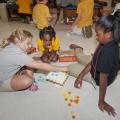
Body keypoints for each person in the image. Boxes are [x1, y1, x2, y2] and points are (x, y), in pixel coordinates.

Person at [68, 11, 120, 116]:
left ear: (109, 34)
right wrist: (80, 76)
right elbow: (93, 61)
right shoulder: (104, 42)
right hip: (96, 62)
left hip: (96, 77)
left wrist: (101, 101)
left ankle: (78, 49)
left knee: (69, 67)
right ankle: (79, 48)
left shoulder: (108, 52)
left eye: (98, 34)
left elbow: (103, 79)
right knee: (80, 57)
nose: (96, 37)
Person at [0, 29, 67, 92]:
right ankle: (20, 75)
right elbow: (41, 65)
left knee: (30, 63)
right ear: (18, 42)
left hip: (5, 71)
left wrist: (33, 55)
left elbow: (16, 59)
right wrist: (64, 68)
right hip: (3, 81)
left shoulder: (10, 45)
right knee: (28, 80)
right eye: (28, 43)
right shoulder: (17, 54)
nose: (30, 46)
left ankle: (20, 73)